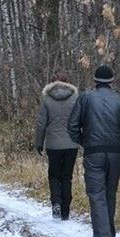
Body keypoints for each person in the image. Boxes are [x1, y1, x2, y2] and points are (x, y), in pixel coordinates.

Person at [67, 65, 120, 237]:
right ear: (112, 80)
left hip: (93, 154)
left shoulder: (85, 99)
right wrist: (118, 143)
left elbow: (72, 126)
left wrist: (85, 142)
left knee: (97, 196)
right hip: (115, 154)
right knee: (109, 195)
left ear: (95, 80)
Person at [35, 74, 79, 221]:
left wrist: (39, 143)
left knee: (54, 176)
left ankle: (56, 203)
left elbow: (41, 124)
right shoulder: (74, 99)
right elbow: (80, 121)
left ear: (53, 83)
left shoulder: (47, 99)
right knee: (67, 177)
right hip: (71, 144)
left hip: (53, 145)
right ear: (67, 83)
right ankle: (66, 210)